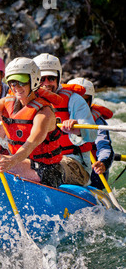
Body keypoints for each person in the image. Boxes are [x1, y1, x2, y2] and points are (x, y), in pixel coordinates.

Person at [0, 57, 63, 188]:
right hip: (24, 162)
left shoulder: (44, 113)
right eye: (12, 83)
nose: (16, 87)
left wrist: (11, 161)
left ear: (34, 80)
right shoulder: (8, 101)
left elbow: (30, 144)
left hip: (47, 171)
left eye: (21, 82)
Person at [33, 53, 96, 186]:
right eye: (41, 79)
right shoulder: (24, 102)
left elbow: (92, 134)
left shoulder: (74, 100)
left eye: (51, 78)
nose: (46, 83)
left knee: (48, 170)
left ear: (58, 78)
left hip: (72, 163)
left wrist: (77, 129)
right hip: (36, 161)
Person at [67, 77, 115, 190]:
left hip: (92, 174)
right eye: (76, 100)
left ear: (91, 100)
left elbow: (105, 148)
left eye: (84, 100)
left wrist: (103, 163)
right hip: (67, 165)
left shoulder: (97, 122)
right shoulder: (57, 117)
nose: (80, 105)